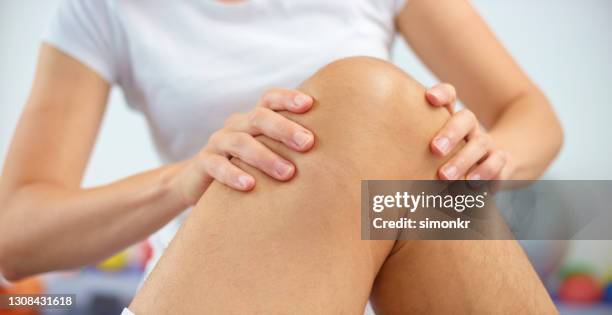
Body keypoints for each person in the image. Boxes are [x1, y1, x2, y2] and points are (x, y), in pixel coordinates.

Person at [0, 0, 562, 311]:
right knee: (369, 94)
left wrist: (489, 158)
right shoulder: (102, 9)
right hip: (212, 289)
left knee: (391, 111)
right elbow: (15, 235)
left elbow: (529, 112)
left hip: (392, 284)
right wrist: (184, 178)